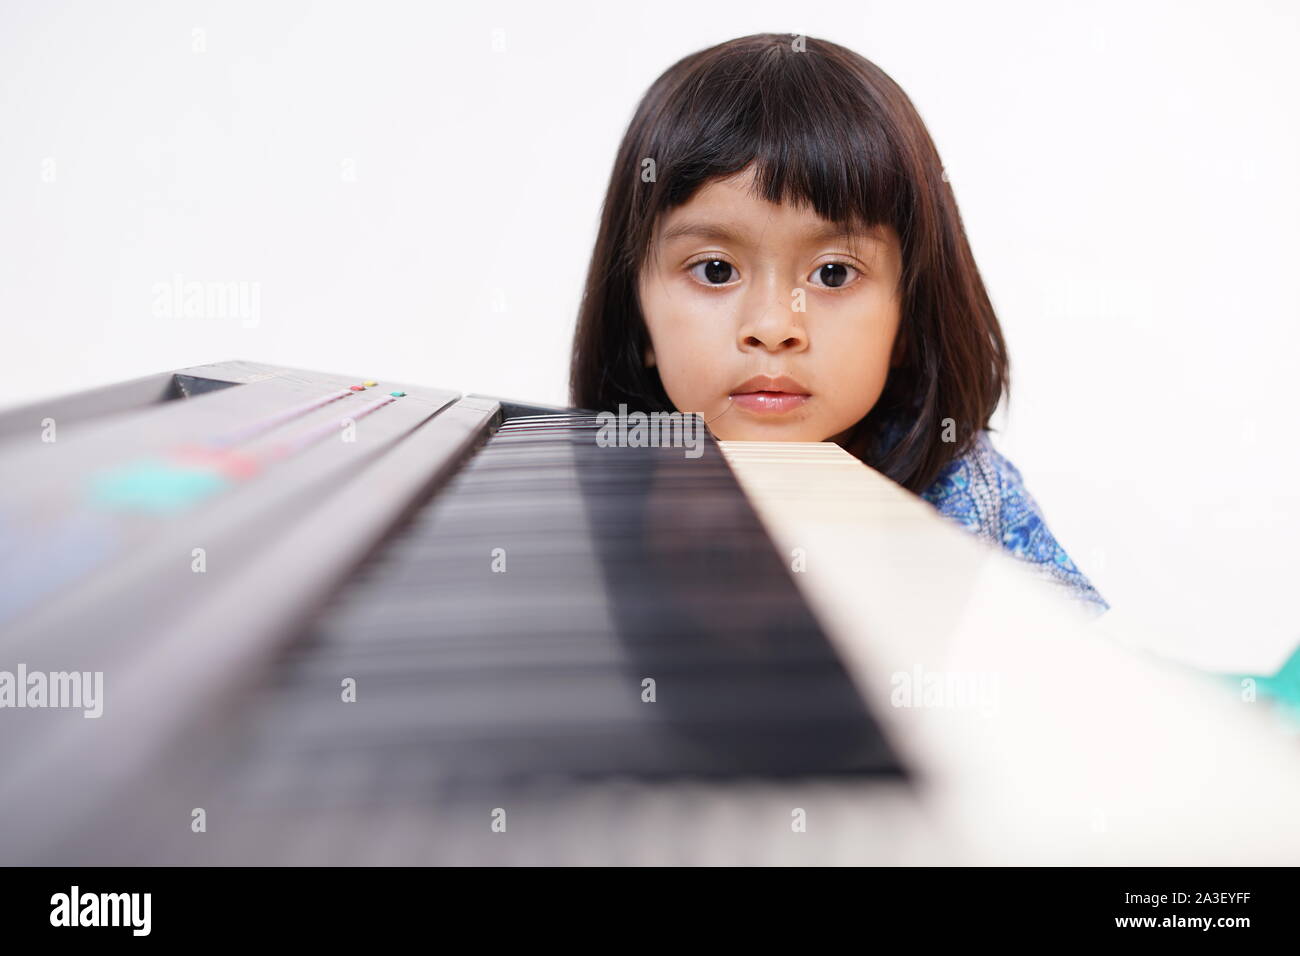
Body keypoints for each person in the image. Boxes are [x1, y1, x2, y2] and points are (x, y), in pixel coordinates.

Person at [569, 33, 1107, 614]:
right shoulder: (609, 474)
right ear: (637, 314)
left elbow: (1075, 668)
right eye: (716, 270)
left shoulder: (965, 493)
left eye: (831, 275)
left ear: (908, 320)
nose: (774, 326)